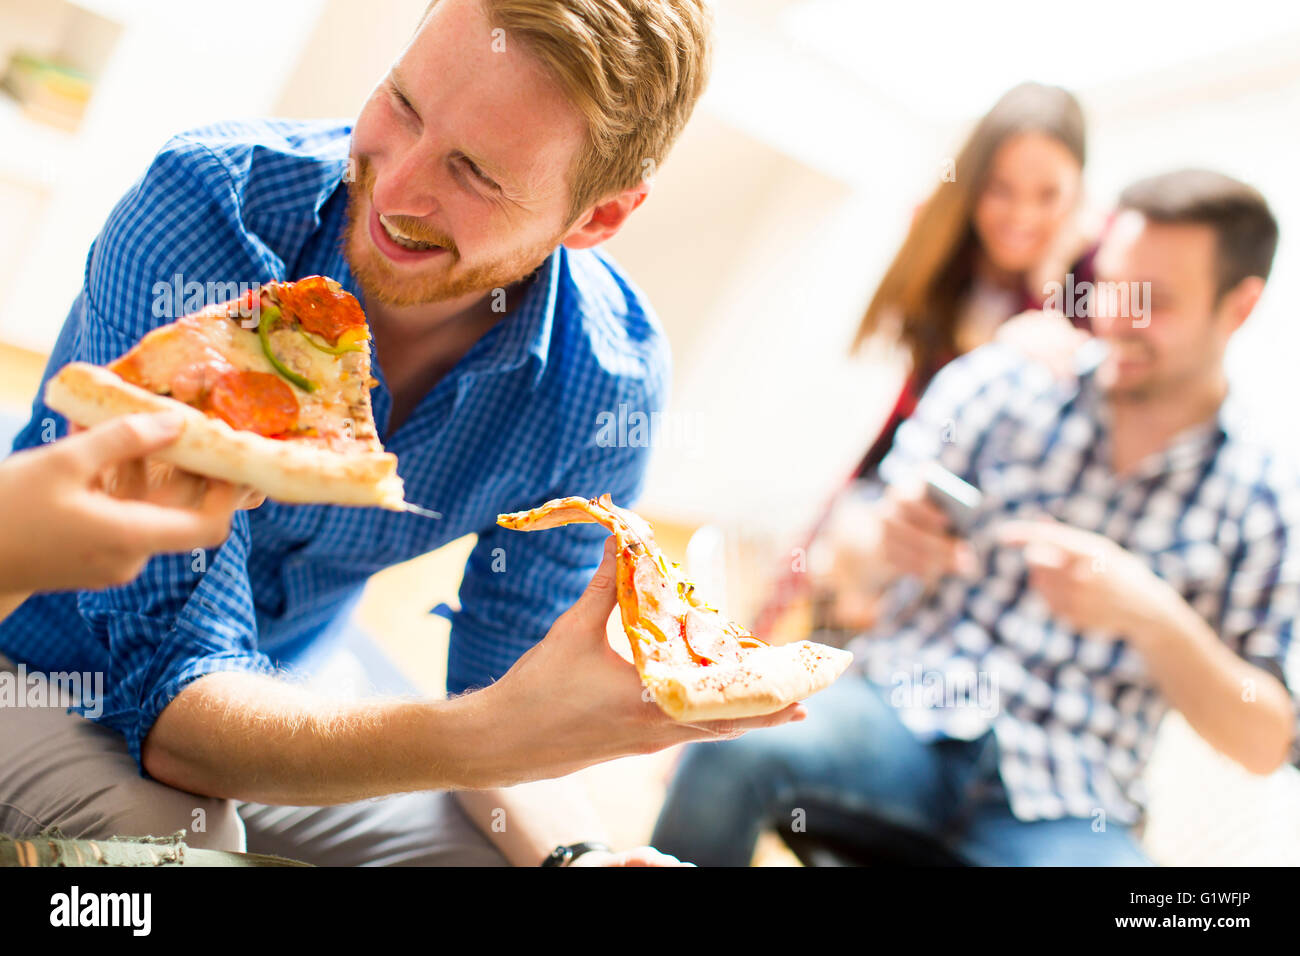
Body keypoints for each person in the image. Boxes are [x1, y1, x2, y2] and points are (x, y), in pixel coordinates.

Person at [0, 0, 801, 867]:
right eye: (404, 104)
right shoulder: (211, 208)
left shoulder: (607, 380)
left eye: (477, 173)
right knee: (173, 844)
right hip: (37, 664)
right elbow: (175, 711)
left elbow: (506, 678)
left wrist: (580, 856)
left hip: (287, 683)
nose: (397, 187)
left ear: (597, 220)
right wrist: (482, 737)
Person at [652, 169, 1300, 866]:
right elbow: (846, 552)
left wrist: (1151, 614)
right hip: (901, 718)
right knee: (731, 745)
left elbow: (1266, 743)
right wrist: (884, 539)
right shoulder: (1004, 384)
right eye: (1112, 284)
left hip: (1072, 802)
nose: (1116, 315)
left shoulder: (1258, 500)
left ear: (1239, 307)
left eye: (1157, 302)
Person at [757, 81, 1095, 640]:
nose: (1022, 214)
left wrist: (1049, 278)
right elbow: (910, 406)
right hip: (909, 460)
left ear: (1078, 195)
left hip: (986, 515)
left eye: (1047, 195)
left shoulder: (1091, 275)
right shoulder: (942, 244)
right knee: (814, 581)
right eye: (1001, 189)